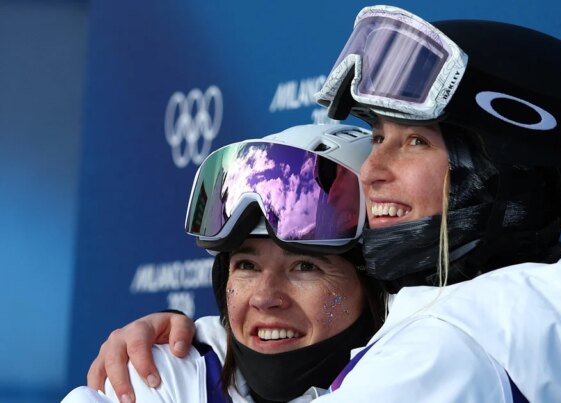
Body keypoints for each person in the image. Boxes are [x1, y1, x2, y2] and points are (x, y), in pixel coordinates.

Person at [86, 5, 561, 402]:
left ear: (508, 171)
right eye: (377, 137)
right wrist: (198, 349)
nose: (374, 172)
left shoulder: (445, 355)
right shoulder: (534, 316)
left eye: (414, 141)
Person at [63, 124, 384, 402]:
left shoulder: (415, 375)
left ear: (375, 283)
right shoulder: (167, 374)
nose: (264, 297)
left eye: (304, 267)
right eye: (247, 266)